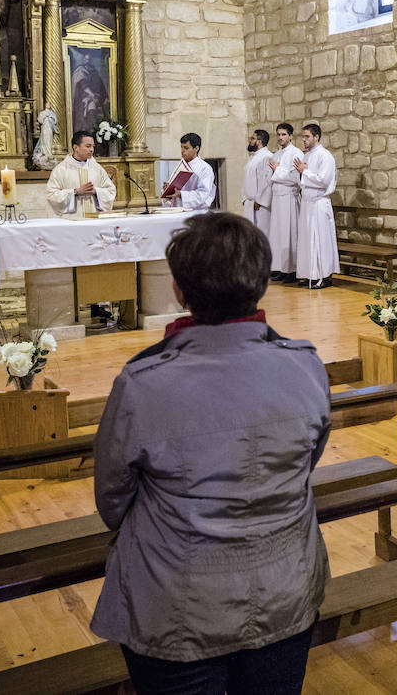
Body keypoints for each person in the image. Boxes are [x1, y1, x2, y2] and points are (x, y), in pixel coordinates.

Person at [90, 212, 331, 693]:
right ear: (261, 284)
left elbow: (112, 500)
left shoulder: (144, 383)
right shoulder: (305, 367)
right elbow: (307, 460)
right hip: (284, 592)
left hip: (178, 606)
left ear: (179, 290)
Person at [294, 123, 339, 289]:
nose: (304, 140)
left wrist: (304, 172)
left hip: (319, 203)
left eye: (307, 136)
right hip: (307, 203)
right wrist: (301, 172)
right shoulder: (307, 156)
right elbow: (303, 178)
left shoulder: (325, 156)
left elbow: (323, 180)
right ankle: (309, 274)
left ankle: (323, 275)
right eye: (303, 136)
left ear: (316, 137)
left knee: (320, 240)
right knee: (307, 240)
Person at [46, 130, 116, 217]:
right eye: (88, 146)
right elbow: (51, 195)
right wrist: (76, 192)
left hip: (95, 218)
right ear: (76, 147)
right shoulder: (61, 170)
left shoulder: (97, 168)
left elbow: (110, 191)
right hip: (72, 220)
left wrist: (96, 191)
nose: (91, 150)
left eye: (93, 146)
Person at [268, 123, 303, 283]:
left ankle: (293, 269)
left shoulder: (296, 153)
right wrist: (275, 171)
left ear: (290, 136)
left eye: (283, 134)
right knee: (278, 234)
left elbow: (294, 178)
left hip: (289, 197)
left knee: (290, 233)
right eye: (279, 134)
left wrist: (277, 170)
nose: (280, 138)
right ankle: (282, 267)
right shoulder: (276, 155)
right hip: (277, 198)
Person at [162, 132, 216, 209]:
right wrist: (168, 190)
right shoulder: (180, 165)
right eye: (181, 147)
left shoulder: (205, 168)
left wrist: (181, 195)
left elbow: (203, 193)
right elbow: (175, 192)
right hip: (178, 210)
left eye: (186, 148)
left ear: (196, 148)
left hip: (196, 212)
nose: (182, 151)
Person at [241, 128, 273, 239]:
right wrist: (244, 198)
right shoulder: (253, 157)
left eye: (253, 138)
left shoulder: (266, 157)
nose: (250, 140)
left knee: (262, 235)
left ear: (259, 141)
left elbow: (266, 182)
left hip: (260, 206)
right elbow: (246, 179)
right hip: (250, 204)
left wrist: (260, 201)